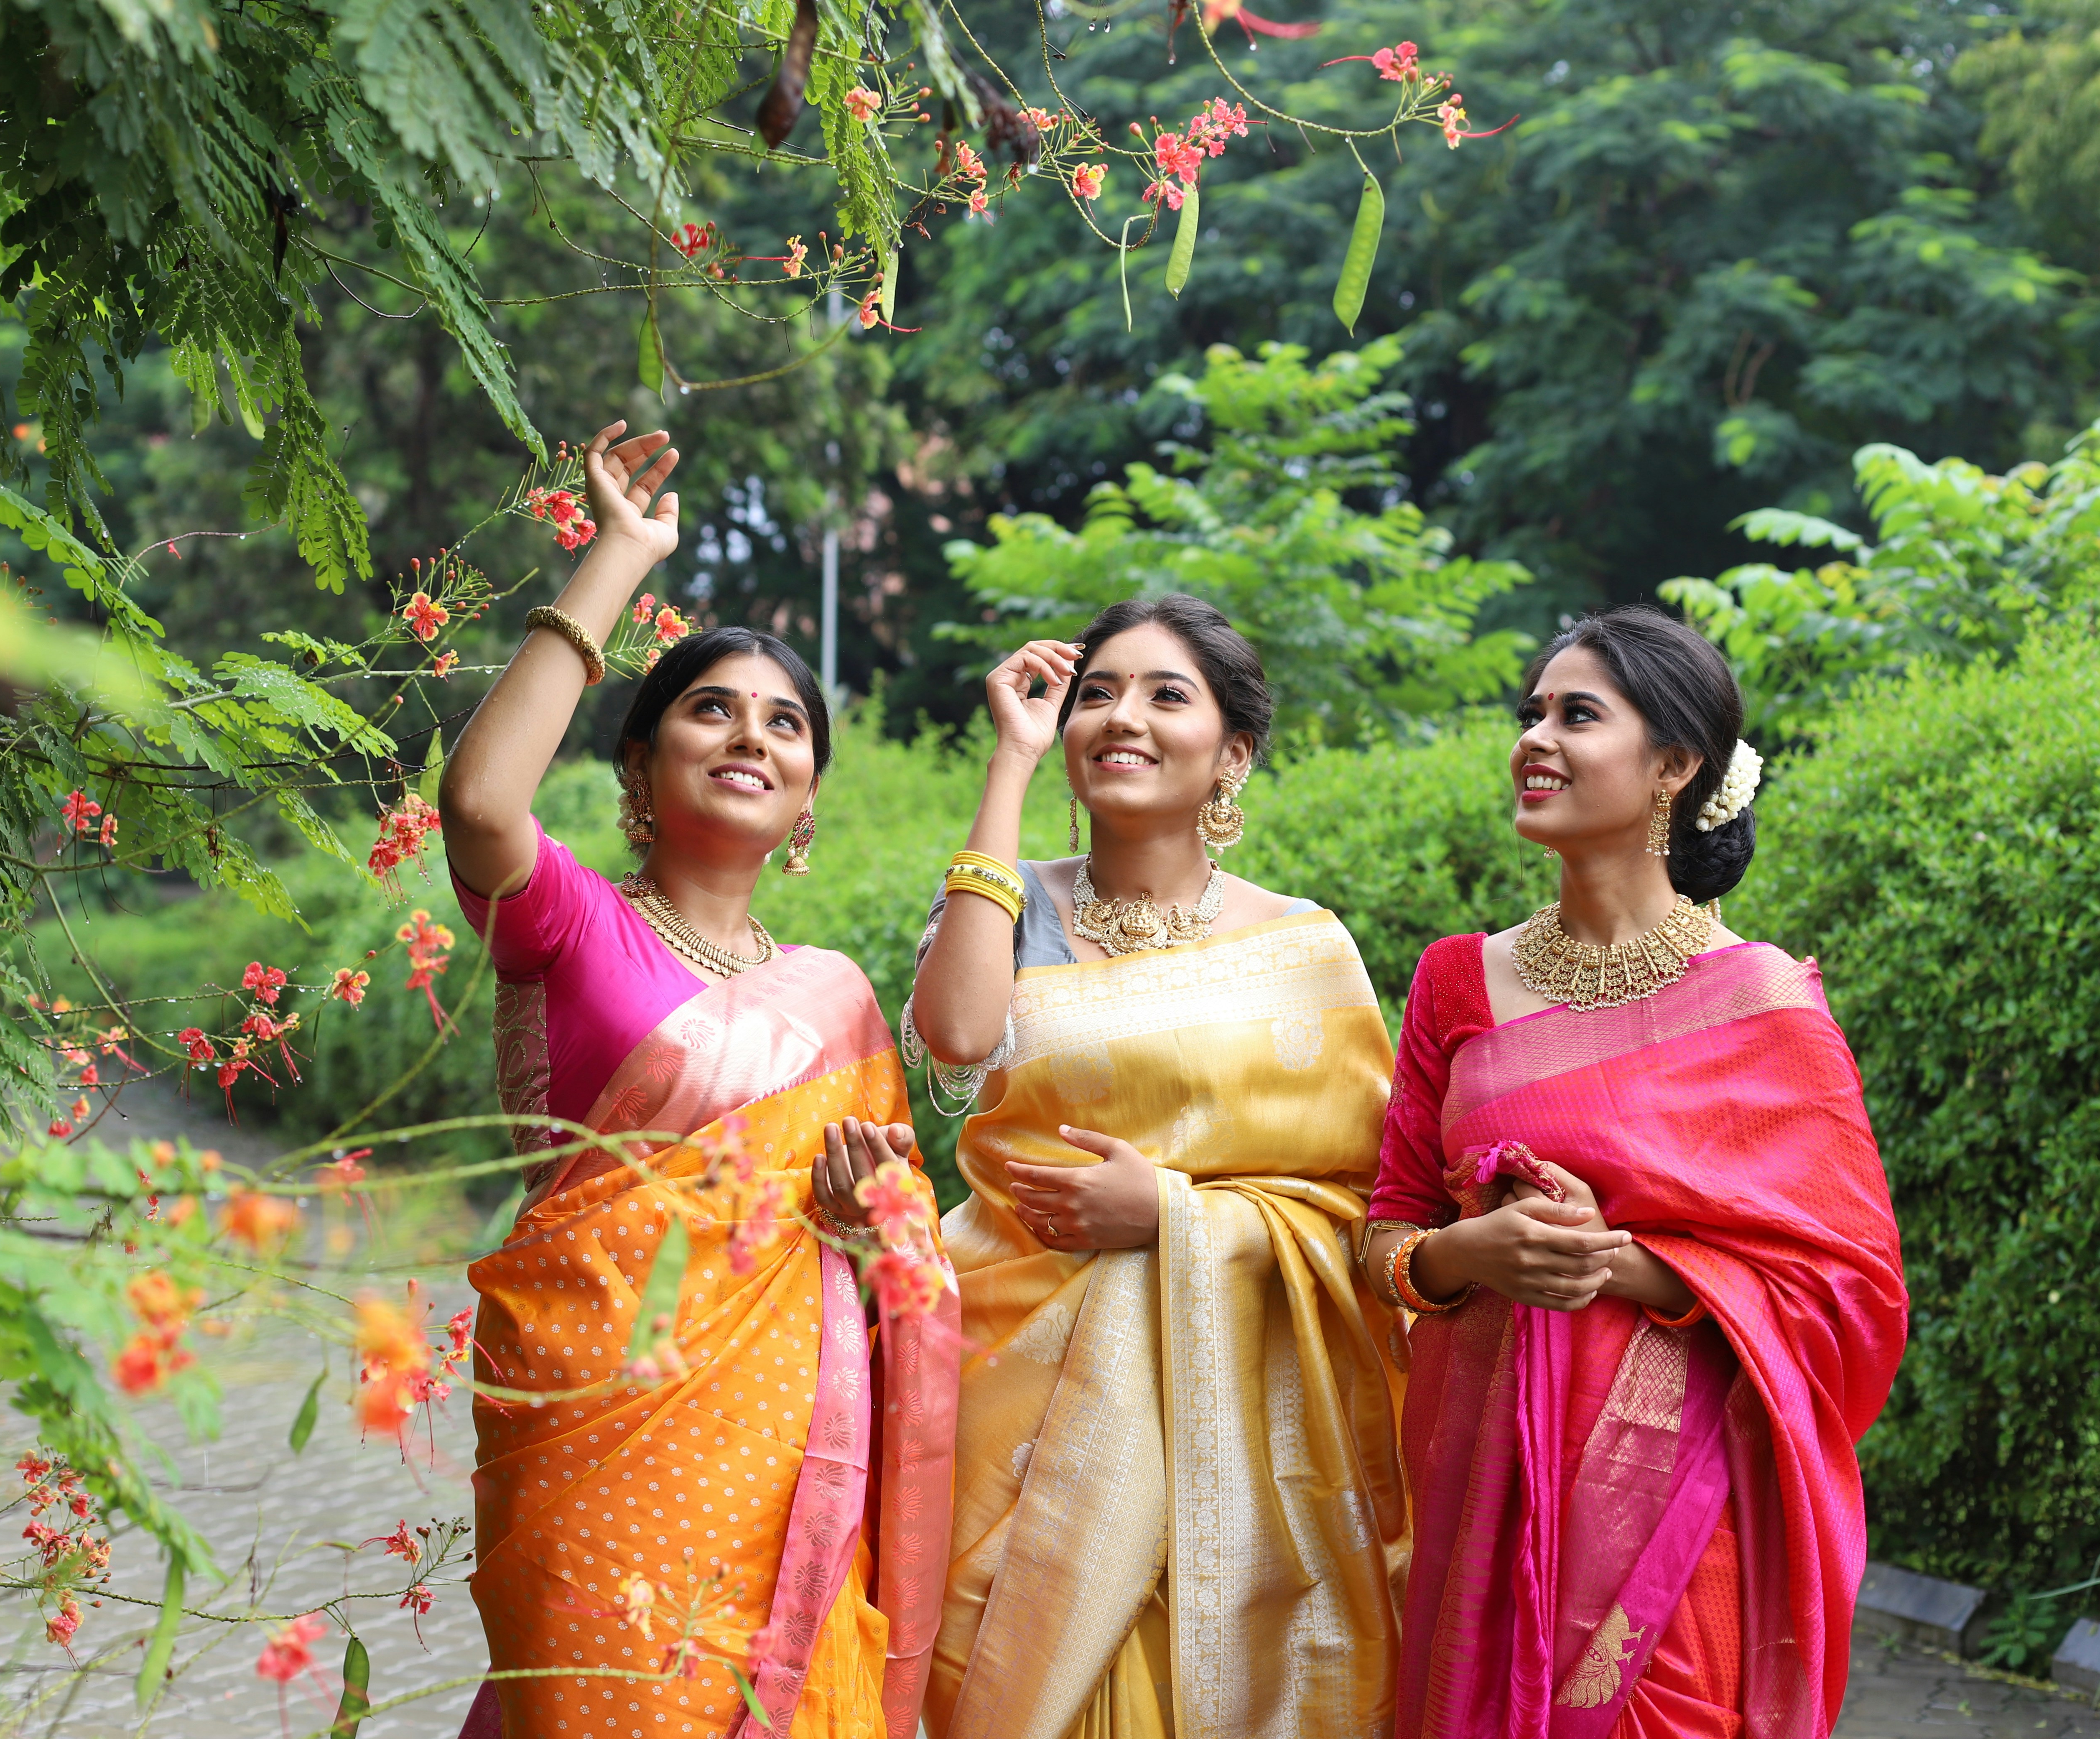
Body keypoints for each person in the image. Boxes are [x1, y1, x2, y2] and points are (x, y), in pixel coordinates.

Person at [438, 421, 960, 1739]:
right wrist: (617, 559)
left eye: (786, 725)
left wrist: (869, 1217)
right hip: (592, 1419)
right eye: (709, 709)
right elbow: (484, 803)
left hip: (783, 1444)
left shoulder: (835, 1000)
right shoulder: (568, 921)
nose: (752, 737)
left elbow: (906, 1252)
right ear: (640, 767)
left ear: (809, 802)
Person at [1364, 606, 1908, 1739]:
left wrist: (1637, 1269)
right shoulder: (1455, 982)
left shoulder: (1763, 1004)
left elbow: (1851, 1290)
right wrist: (1467, 1253)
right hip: (1483, 1493)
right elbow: (1387, 1237)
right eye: (1530, 714)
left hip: (1677, 1502)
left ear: (1673, 764)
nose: (1535, 740)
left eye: (1577, 716)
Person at [906, 595, 1408, 1739]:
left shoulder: (1305, 950)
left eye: (1164, 695)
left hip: (1238, 1427)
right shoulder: (1007, 897)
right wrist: (1010, 762)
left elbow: (1367, 1214)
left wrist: (1176, 1219)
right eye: (1097, 694)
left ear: (1232, 754)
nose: (1120, 718)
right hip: (1017, 1407)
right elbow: (959, 1035)